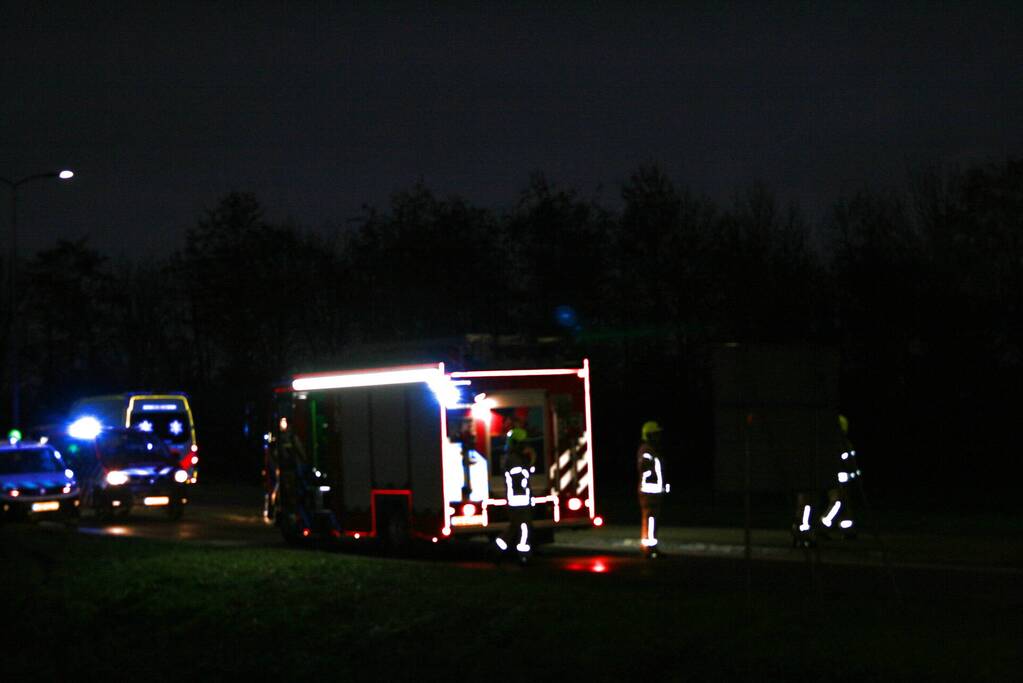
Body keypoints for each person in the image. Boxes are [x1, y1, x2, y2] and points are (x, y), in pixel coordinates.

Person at [495, 427, 536, 564]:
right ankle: (524, 554)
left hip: (518, 499)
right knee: (524, 527)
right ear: (517, 444)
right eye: (523, 443)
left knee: (514, 527)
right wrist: (529, 466)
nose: (525, 445)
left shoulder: (513, 458)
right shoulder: (514, 460)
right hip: (519, 500)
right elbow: (519, 477)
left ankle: (497, 549)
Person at [820, 414, 860, 539]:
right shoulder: (834, 444)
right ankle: (823, 526)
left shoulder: (843, 443)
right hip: (836, 479)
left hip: (843, 479)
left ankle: (847, 530)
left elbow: (850, 461)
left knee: (844, 505)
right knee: (837, 503)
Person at [637, 420, 669, 558]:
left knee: (653, 520)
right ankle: (649, 548)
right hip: (649, 491)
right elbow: (646, 470)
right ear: (648, 435)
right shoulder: (646, 451)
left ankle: (652, 546)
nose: (658, 437)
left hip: (655, 491)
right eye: (655, 434)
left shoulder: (652, 451)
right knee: (650, 519)